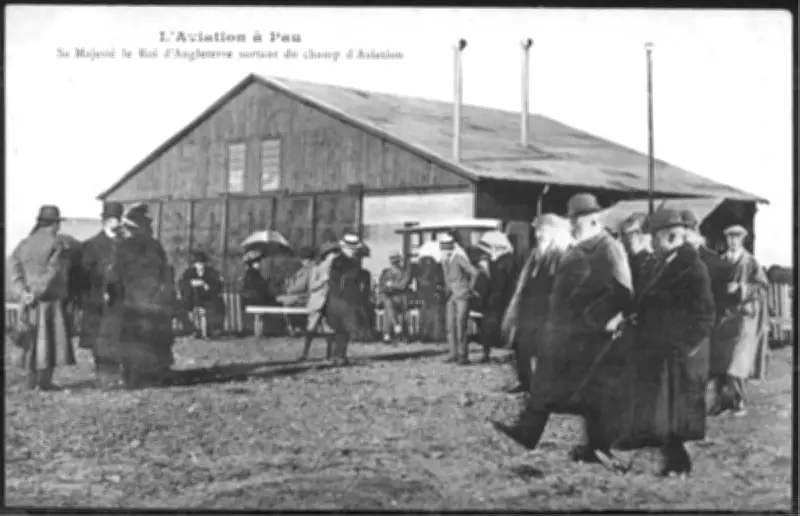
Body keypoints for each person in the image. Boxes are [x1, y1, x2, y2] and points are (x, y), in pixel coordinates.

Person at [493, 193, 632, 471]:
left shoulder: (608, 247)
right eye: (571, 220)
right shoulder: (578, 247)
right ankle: (529, 432)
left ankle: (603, 448)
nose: (573, 225)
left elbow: (623, 291)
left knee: (592, 394)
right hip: (562, 330)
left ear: (594, 219)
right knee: (546, 383)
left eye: (577, 220)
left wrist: (595, 319)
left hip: (588, 336)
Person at [619, 208, 716, 477]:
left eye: (656, 236)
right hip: (661, 348)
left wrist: (684, 346)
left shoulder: (692, 267)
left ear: (671, 235)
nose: (651, 241)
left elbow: (705, 314)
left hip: (679, 352)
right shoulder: (667, 262)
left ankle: (680, 464)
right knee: (665, 411)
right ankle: (673, 461)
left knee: (676, 413)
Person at [94, 203, 176, 389]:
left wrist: (112, 296)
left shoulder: (123, 247)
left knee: (131, 341)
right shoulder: (155, 246)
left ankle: (133, 377)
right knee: (152, 338)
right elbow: (165, 273)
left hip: (130, 302)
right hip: (152, 301)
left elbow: (115, 276)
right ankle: (154, 376)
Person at [502, 213, 573, 394]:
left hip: (547, 310)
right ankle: (526, 381)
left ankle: (546, 387)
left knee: (545, 351)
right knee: (521, 346)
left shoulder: (560, 252)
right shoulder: (536, 253)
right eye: (537, 231)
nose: (538, 235)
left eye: (541, 231)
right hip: (529, 310)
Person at [8, 205, 78, 390]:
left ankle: (31, 381)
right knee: (48, 341)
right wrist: (36, 293)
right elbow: (52, 272)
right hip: (49, 301)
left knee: (29, 340)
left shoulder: (23, 243)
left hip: (28, 301)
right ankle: (44, 382)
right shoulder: (57, 244)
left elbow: (13, 270)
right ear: (54, 224)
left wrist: (23, 293)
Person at [709, 224, 770, 416]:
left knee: (736, 361)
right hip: (724, 316)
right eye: (730, 238)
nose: (733, 242)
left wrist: (741, 288)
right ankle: (722, 402)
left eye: (736, 238)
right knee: (720, 360)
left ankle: (739, 402)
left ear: (742, 240)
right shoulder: (721, 260)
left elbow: (762, 287)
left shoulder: (751, 262)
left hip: (743, 318)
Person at [77, 201, 124, 376]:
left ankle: (117, 373)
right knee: (99, 338)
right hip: (98, 301)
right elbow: (83, 275)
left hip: (120, 299)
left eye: (118, 219)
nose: (117, 223)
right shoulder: (91, 245)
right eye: (113, 219)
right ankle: (103, 374)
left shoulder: (125, 244)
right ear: (105, 221)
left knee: (119, 336)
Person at [325, 234, 367, 365]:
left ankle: (335, 355)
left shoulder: (336, 260)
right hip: (344, 299)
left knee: (338, 328)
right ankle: (339, 355)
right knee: (342, 329)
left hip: (335, 297)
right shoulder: (350, 263)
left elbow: (332, 281)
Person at [476, 231, 518, 363]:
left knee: (497, 326)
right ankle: (487, 352)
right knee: (489, 326)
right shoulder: (498, 260)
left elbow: (505, 281)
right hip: (493, 298)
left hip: (500, 298)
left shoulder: (507, 261)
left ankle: (491, 352)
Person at [440, 234, 480, 365]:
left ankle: (463, 356)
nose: (444, 251)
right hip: (451, 296)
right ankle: (453, 353)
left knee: (460, 325)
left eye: (445, 248)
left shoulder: (458, 258)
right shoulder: (444, 261)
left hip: (462, 295)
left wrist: (470, 288)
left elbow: (474, 272)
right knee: (450, 326)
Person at [299, 242, 339, 360]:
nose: (335, 256)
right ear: (326, 255)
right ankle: (304, 353)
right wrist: (323, 281)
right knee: (311, 329)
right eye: (333, 253)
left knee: (329, 330)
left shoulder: (336, 271)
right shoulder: (317, 268)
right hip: (317, 303)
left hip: (329, 303)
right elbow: (312, 286)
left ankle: (329, 354)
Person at [179, 251, 226, 338]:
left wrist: (206, 286)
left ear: (205, 263)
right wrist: (190, 283)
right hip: (192, 299)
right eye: (198, 263)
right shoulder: (189, 273)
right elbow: (182, 284)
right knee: (186, 307)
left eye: (201, 263)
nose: (200, 265)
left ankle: (213, 330)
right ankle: (194, 330)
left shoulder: (212, 273)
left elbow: (218, 287)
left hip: (208, 299)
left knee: (216, 306)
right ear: (194, 264)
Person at [377, 252, 413, 343]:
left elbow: (403, 286)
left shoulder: (405, 272)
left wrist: (391, 284)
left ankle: (387, 334)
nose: (394, 264)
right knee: (388, 302)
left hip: (401, 298)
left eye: (396, 262)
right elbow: (381, 286)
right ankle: (396, 325)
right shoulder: (385, 272)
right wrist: (391, 286)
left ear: (399, 261)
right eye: (392, 262)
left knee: (388, 307)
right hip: (389, 297)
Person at [280, 246, 316, 333]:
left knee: (282, 301)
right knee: (283, 300)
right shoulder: (312, 268)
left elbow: (299, 287)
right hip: (308, 296)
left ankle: (291, 327)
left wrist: (287, 288)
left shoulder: (308, 270)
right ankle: (294, 326)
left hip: (305, 297)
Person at [618, 212, 657, 292]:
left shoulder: (649, 262)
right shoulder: (630, 259)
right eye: (623, 236)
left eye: (629, 235)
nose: (623, 240)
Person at [415, 242, 446, 343]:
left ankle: (425, 333)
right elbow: (440, 277)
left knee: (425, 310)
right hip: (433, 289)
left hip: (423, 289)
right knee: (435, 311)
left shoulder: (421, 262)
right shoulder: (435, 264)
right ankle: (436, 334)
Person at [238, 250, 274, 336]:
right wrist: (265, 284)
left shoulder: (256, 274)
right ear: (251, 264)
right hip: (252, 301)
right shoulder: (250, 275)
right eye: (257, 262)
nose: (260, 263)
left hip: (256, 299)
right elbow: (255, 289)